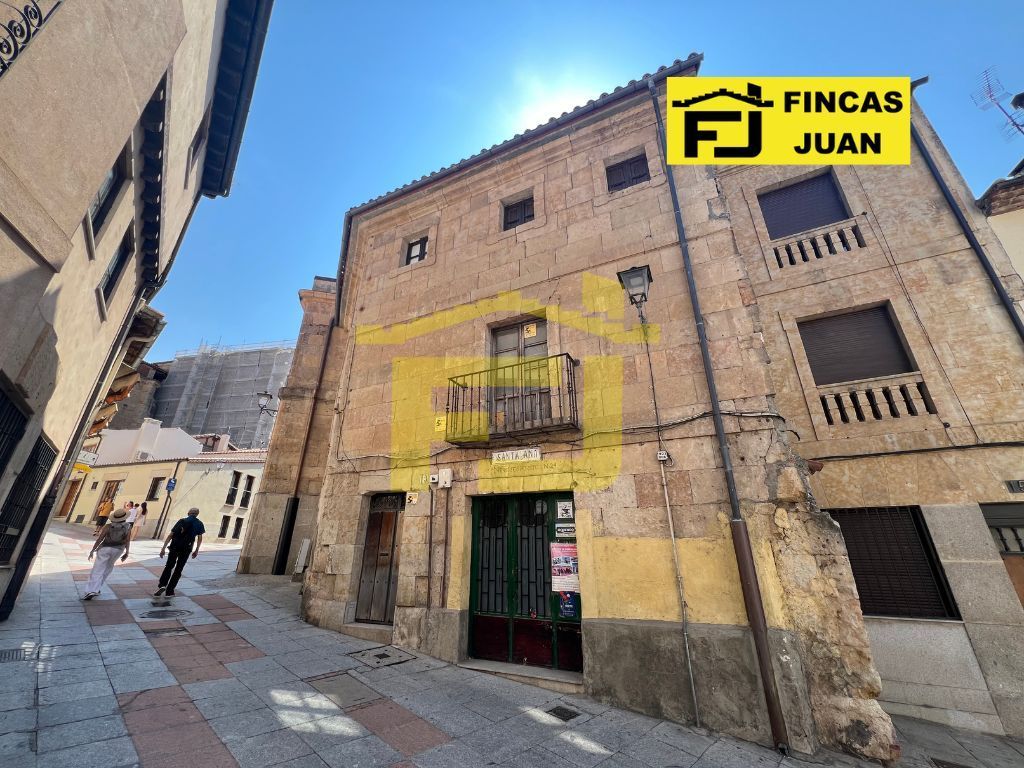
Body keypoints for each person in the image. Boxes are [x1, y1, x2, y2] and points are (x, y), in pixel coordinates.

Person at [154, 507, 205, 597]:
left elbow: (171, 535)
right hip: (186, 549)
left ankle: (162, 585)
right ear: (197, 514)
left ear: (188, 512)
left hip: (174, 547)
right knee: (178, 569)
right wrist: (196, 550)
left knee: (169, 566)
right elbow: (199, 538)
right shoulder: (199, 523)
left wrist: (163, 548)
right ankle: (170, 591)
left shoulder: (181, 521)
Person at [83, 507, 132, 599]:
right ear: (124, 517)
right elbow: (127, 540)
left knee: (97, 569)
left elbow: (100, 538)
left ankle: (90, 590)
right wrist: (127, 552)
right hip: (118, 549)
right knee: (108, 568)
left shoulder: (108, 526)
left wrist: (93, 550)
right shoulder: (128, 527)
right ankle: (97, 589)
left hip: (105, 548)